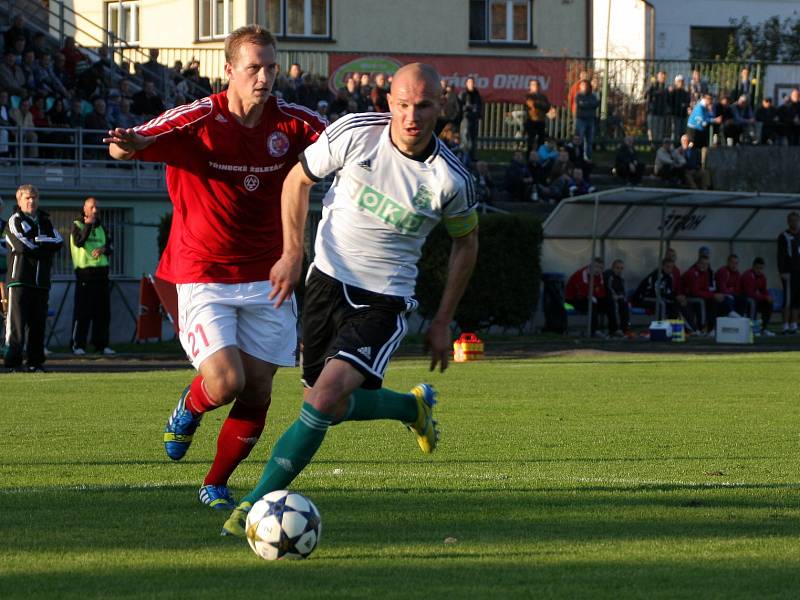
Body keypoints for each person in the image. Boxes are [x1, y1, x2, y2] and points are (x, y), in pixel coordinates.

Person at [221, 62, 479, 537]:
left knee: (321, 400)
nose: (411, 116)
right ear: (388, 102)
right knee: (328, 407)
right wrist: (293, 254)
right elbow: (296, 181)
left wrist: (444, 319)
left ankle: (253, 507)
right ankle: (411, 409)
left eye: (423, 106)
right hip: (324, 284)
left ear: (442, 106)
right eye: (402, 104)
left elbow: (467, 242)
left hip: (383, 301)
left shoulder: (450, 179)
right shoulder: (355, 134)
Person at [104, 25, 327, 510]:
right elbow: (129, 145)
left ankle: (215, 482)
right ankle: (190, 405)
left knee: (259, 389)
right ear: (228, 71)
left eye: (271, 66)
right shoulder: (199, 119)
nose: (265, 77)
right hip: (203, 274)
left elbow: (343, 147)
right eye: (254, 68)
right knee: (227, 382)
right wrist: (125, 142)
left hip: (267, 277)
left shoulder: (294, 122)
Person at [3, 185, 63, 372]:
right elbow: (21, 246)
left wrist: (38, 242)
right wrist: (43, 244)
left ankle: (35, 363)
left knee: (38, 325)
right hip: (20, 280)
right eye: (28, 198)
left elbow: (58, 242)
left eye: (35, 197)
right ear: (19, 200)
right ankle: (13, 363)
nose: (32, 201)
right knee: (17, 325)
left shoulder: (45, 221)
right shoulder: (14, 220)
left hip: (41, 282)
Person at [70, 197, 115, 356]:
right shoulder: (78, 225)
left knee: (103, 313)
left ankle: (101, 345)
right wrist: (88, 224)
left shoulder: (102, 227)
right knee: (83, 312)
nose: (95, 210)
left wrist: (103, 249)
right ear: (85, 208)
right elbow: (79, 242)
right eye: (92, 207)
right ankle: (78, 345)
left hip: (102, 274)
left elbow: (111, 246)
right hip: (85, 275)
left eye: (96, 207)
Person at [565, 257, 610, 337]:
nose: (598, 270)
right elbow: (582, 293)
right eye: (596, 267)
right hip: (572, 300)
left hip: (589, 298)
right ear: (591, 266)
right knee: (592, 304)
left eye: (600, 268)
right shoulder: (582, 273)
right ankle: (594, 331)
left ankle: (615, 329)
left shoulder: (599, 275)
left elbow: (602, 292)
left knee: (610, 302)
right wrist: (595, 296)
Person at [776, 211, 800, 334]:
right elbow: (780, 255)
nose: (794, 223)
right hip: (789, 272)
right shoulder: (784, 236)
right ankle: (784, 324)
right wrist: (782, 271)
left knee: (797, 299)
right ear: (788, 221)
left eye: (796, 220)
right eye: (791, 220)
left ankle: (793, 325)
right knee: (788, 299)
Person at [741, 258, 774, 336]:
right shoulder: (748, 275)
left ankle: (763, 329)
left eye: (761, 268)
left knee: (768, 303)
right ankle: (752, 328)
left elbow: (764, 291)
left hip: (754, 297)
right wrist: (765, 297)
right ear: (753, 267)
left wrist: (768, 297)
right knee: (753, 301)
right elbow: (750, 293)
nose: (759, 270)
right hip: (743, 298)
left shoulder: (762, 277)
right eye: (757, 268)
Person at [603, 259, 630, 337]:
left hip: (615, 298)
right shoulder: (608, 275)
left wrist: (620, 296)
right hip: (605, 299)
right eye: (617, 268)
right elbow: (608, 288)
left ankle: (624, 328)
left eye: (621, 268)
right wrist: (615, 296)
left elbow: (622, 291)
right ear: (613, 267)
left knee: (624, 303)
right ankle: (614, 329)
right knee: (613, 303)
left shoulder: (620, 279)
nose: (619, 270)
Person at [574, 79, 598, 161]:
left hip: (590, 119)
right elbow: (581, 104)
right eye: (582, 85)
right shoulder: (578, 95)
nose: (584, 87)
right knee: (579, 139)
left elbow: (595, 104)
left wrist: (586, 104)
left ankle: (588, 157)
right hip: (581, 119)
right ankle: (579, 156)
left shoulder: (593, 95)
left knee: (589, 140)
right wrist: (588, 104)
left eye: (585, 85)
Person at [523, 79, 550, 155]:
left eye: (537, 85)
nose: (535, 86)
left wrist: (539, 105)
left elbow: (547, 107)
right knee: (531, 141)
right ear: (530, 86)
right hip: (531, 121)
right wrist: (541, 105)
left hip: (541, 121)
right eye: (533, 85)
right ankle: (529, 158)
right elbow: (532, 104)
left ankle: (540, 157)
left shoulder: (543, 96)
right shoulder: (528, 96)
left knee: (541, 141)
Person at [459, 76, 482, 161]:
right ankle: (465, 157)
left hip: (474, 119)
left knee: (473, 139)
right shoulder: (463, 94)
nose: (472, 85)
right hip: (466, 119)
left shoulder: (477, 94)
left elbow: (479, 106)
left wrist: (478, 113)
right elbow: (459, 107)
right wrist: (467, 108)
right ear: (466, 84)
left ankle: (472, 157)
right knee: (465, 138)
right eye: (470, 83)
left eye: (473, 83)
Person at [645, 70, 670, 146]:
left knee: (659, 131)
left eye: (664, 76)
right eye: (661, 75)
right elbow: (646, 95)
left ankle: (658, 145)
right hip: (653, 111)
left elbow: (667, 100)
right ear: (657, 76)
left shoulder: (665, 87)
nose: (663, 77)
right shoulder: (653, 85)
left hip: (661, 112)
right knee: (652, 130)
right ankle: (652, 145)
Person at [668, 74, 690, 142]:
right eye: (679, 81)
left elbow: (688, 102)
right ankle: (674, 144)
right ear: (676, 82)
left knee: (683, 132)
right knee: (675, 132)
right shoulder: (673, 92)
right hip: (675, 115)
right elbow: (670, 102)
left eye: (682, 81)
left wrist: (685, 105)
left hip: (683, 115)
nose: (680, 83)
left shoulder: (685, 92)